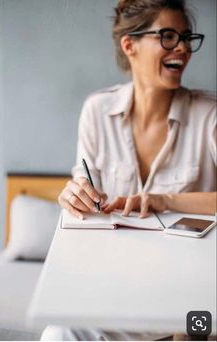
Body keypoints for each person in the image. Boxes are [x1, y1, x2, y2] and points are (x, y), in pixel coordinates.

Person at [42, 0, 216, 340]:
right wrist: (75, 194)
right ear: (129, 45)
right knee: (58, 332)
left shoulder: (210, 114)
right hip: (118, 291)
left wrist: (165, 199)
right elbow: (84, 185)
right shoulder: (96, 110)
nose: (182, 47)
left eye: (185, 37)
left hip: (194, 300)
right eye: (167, 36)